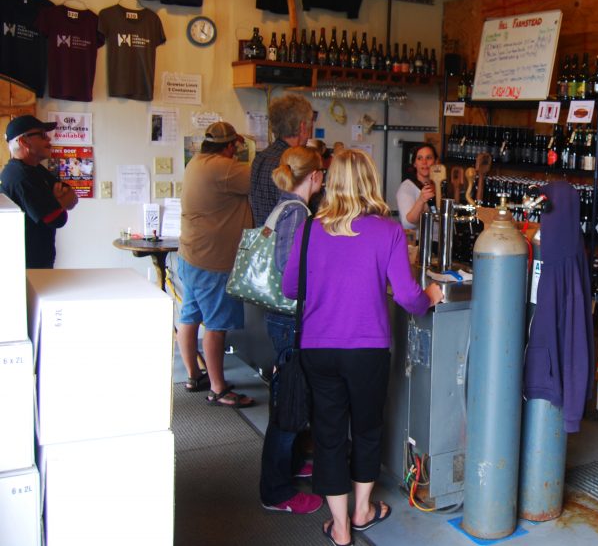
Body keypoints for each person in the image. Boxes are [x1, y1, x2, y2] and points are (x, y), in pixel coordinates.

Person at [282, 148, 443, 546]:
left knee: (329, 432)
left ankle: (339, 528)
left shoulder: (309, 227)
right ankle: (363, 510)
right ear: (370, 181)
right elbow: (408, 298)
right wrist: (431, 295)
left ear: (332, 181)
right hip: (368, 348)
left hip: (317, 347)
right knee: (368, 429)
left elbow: (289, 288)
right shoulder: (386, 230)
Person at [258, 145, 324, 514]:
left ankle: (294, 464)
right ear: (314, 175)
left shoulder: (286, 206)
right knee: (288, 406)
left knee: (292, 398)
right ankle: (276, 491)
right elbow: (289, 271)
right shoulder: (297, 213)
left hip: (282, 318)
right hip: (289, 320)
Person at [177, 121, 256, 408]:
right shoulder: (224, 168)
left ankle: (193, 375)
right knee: (216, 326)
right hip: (213, 261)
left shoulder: (196, 162)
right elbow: (262, 178)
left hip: (190, 254)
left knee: (190, 316)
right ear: (231, 145)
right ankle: (219, 388)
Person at [1, 115, 78, 269]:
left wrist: (56, 203)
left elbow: (73, 197)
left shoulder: (34, 169)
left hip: (37, 262)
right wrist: (59, 202)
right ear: (23, 141)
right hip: (25, 266)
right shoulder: (21, 176)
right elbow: (57, 219)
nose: (49, 140)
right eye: (42, 135)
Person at [250, 94, 314, 226]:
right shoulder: (294, 163)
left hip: (262, 240)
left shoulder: (260, 158)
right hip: (286, 239)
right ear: (302, 127)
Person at [395, 143, 437, 230]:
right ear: (414, 164)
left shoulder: (440, 186)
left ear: (436, 161)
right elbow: (408, 224)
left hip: (441, 241)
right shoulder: (407, 187)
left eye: (428, 158)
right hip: (419, 242)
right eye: (419, 158)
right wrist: (421, 200)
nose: (424, 162)